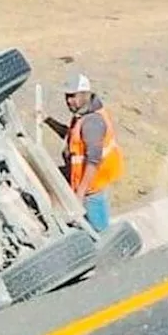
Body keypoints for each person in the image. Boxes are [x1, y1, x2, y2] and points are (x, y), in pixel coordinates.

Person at [43, 72, 124, 232]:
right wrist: (48, 120)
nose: (69, 101)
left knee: (100, 231)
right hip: (82, 181)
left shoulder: (92, 122)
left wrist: (80, 193)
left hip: (92, 188)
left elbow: (93, 160)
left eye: (73, 96)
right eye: (67, 96)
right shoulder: (81, 116)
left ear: (85, 94)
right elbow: (71, 136)